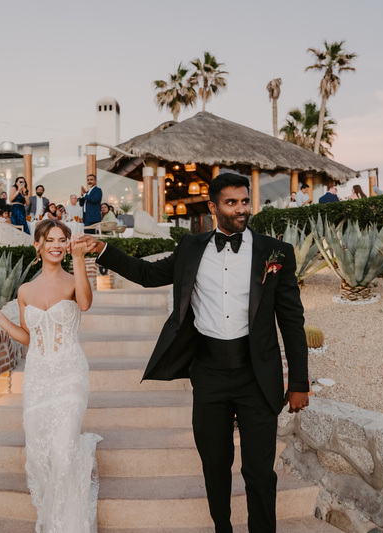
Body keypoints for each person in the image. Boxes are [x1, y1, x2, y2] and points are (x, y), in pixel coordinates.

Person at [78, 173, 310, 533]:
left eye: (245, 201)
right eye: (231, 203)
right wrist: (105, 250)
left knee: (259, 472)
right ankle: (223, 528)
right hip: (210, 374)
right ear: (213, 207)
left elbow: (292, 321)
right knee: (215, 466)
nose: (241, 209)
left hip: (256, 376)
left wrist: (298, 381)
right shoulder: (192, 247)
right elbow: (148, 274)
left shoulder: (275, 253)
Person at [0, 219, 101, 532]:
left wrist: (79, 259)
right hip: (38, 376)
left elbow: (85, 304)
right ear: (38, 245)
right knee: (39, 454)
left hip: (70, 372)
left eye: (63, 240)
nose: (57, 245)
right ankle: (51, 515)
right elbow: (28, 336)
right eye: (51, 240)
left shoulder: (75, 280)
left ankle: (66, 525)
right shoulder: (25, 290)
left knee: (62, 451)